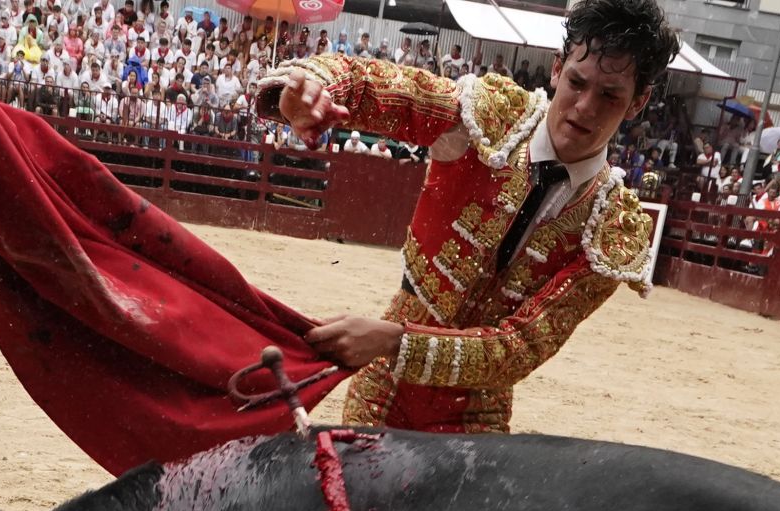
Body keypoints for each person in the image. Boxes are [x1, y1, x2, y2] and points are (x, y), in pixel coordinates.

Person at [254, 0, 670, 433]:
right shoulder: (489, 116)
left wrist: (396, 340)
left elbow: (519, 347)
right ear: (556, 68)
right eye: (577, 83)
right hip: (384, 394)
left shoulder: (615, 229)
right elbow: (389, 87)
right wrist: (317, 91)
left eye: (609, 96)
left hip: (479, 417)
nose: (585, 107)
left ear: (638, 102)